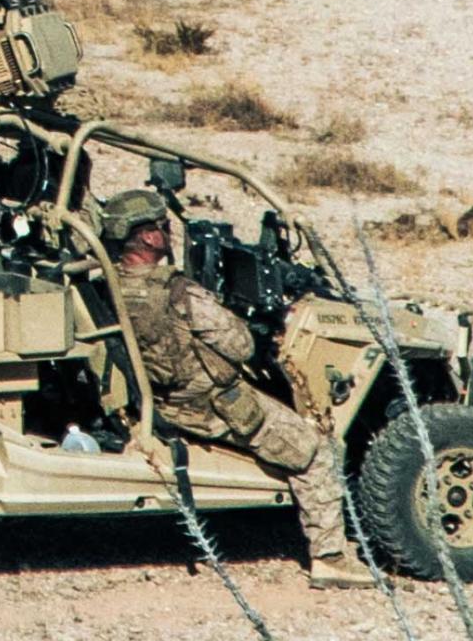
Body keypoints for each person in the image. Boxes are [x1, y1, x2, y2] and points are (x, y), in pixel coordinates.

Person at [100, 188, 359, 587]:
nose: (169, 234)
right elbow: (241, 345)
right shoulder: (175, 291)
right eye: (164, 228)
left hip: (165, 398)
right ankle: (331, 557)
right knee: (314, 450)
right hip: (209, 404)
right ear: (149, 238)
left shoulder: (111, 282)